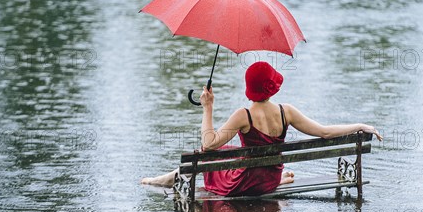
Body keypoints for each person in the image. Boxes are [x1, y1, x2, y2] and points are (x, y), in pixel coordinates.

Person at [141, 61, 383, 196]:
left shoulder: (243, 115)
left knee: (205, 155)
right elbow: (325, 132)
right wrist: (360, 125)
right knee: (230, 149)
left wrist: (207, 107)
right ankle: (281, 180)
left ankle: (163, 179)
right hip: (269, 177)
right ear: (271, 87)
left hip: (246, 182)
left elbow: (208, 144)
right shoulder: (286, 111)